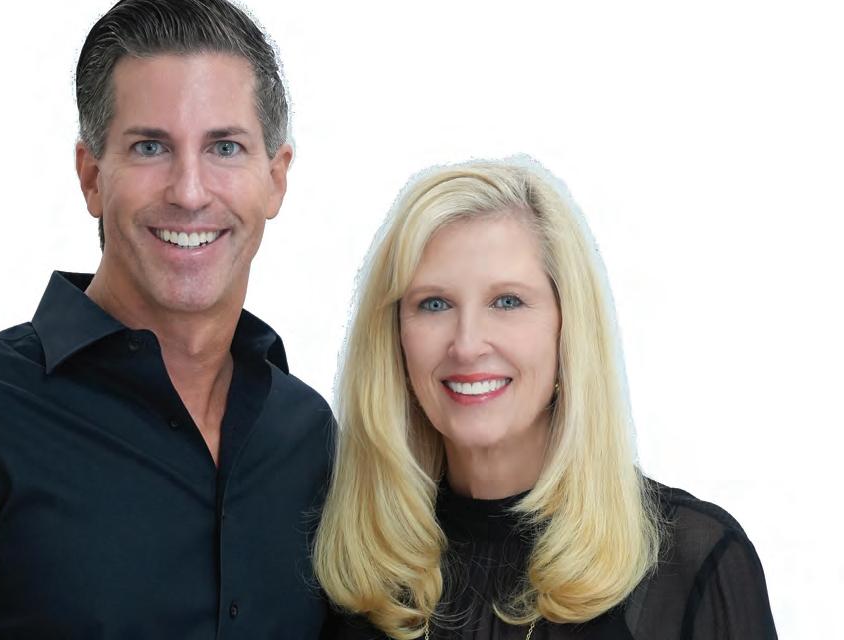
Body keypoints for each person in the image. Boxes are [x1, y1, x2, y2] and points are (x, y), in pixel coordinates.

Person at [0, 0, 333, 639]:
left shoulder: (307, 436)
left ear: (276, 178)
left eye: (225, 147)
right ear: (91, 176)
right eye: (150, 147)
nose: (190, 192)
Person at [315, 158, 777, 639]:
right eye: (434, 303)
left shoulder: (693, 563)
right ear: (394, 337)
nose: (467, 344)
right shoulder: (348, 567)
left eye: (507, 301)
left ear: (567, 327)